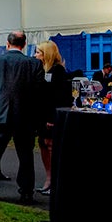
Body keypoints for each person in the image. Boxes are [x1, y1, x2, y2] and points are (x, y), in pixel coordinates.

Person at [0, 31, 44, 203]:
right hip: (24, 116)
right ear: (23, 45)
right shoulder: (34, 64)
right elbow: (39, 91)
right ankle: (26, 192)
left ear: (7, 44)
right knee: (26, 156)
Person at [33, 41, 71, 194]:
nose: (36, 55)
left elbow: (59, 97)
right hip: (41, 114)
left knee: (51, 145)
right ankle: (48, 178)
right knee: (42, 143)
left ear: (46, 54)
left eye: (38, 52)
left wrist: (52, 118)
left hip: (51, 115)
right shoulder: (41, 70)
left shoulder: (58, 71)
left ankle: (54, 181)